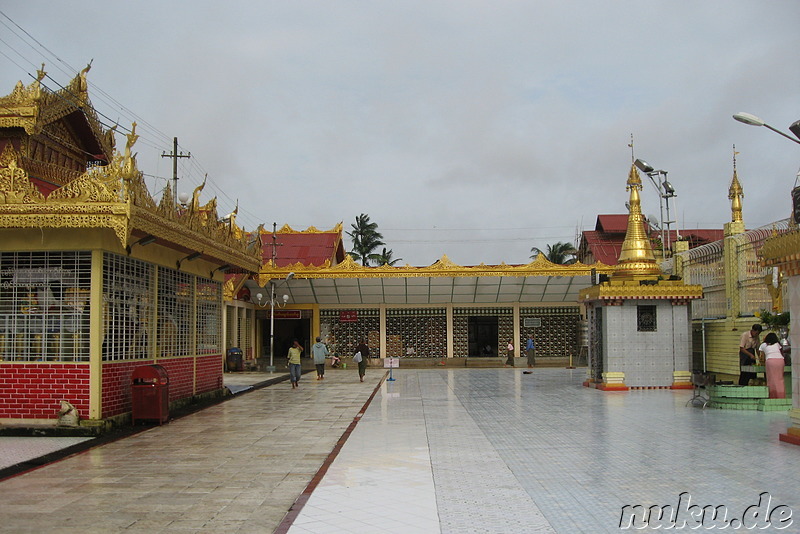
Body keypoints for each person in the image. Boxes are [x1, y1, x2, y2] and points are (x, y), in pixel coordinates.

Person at [759, 332, 785, 399]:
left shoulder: (763, 345)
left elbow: (761, 357)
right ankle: (781, 396)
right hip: (780, 361)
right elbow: (782, 353)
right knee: (780, 379)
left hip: (771, 361)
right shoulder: (777, 344)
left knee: (771, 379)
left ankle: (773, 396)